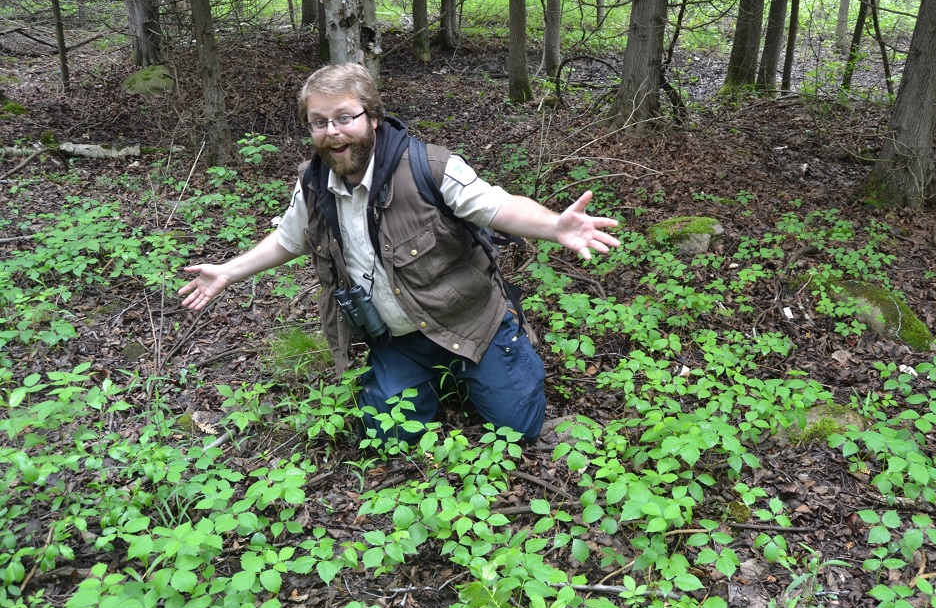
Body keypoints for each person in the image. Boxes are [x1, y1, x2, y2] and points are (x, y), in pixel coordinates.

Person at [179, 63, 620, 443]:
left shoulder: (430, 167)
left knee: (520, 428)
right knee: (388, 437)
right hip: (401, 340)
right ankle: (431, 379)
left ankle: (497, 359)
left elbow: (498, 206)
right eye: (319, 122)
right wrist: (227, 273)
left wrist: (553, 226)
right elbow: (287, 240)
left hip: (471, 323)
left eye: (344, 117)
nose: (332, 132)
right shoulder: (313, 184)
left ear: (372, 118)